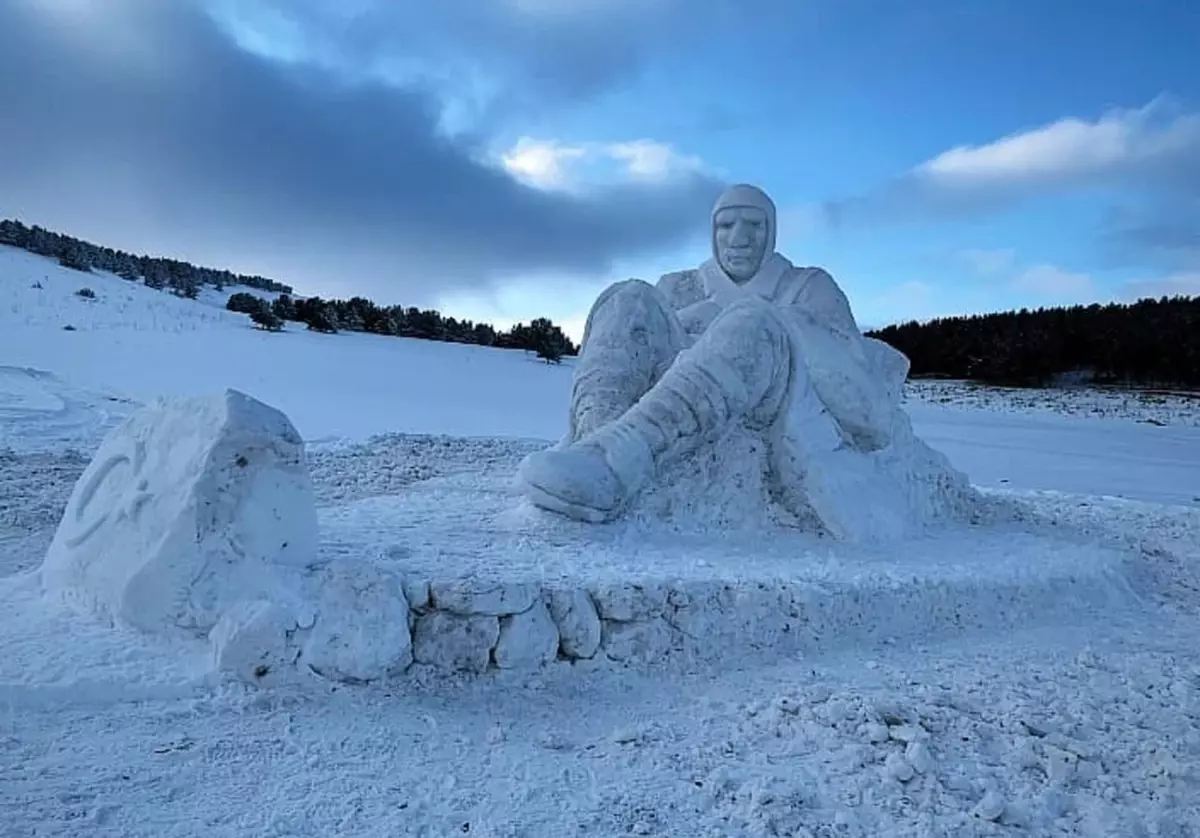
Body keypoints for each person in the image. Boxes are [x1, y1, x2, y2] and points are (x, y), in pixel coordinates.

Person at [517, 183, 922, 537]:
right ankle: (591, 446)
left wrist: (775, 321)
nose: (739, 238)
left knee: (754, 320)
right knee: (628, 297)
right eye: (726, 225)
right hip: (673, 394)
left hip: (772, 408)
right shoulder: (680, 286)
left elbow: (867, 413)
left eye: (754, 225)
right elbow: (648, 348)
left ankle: (620, 459)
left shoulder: (809, 287)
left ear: (773, 232)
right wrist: (698, 320)